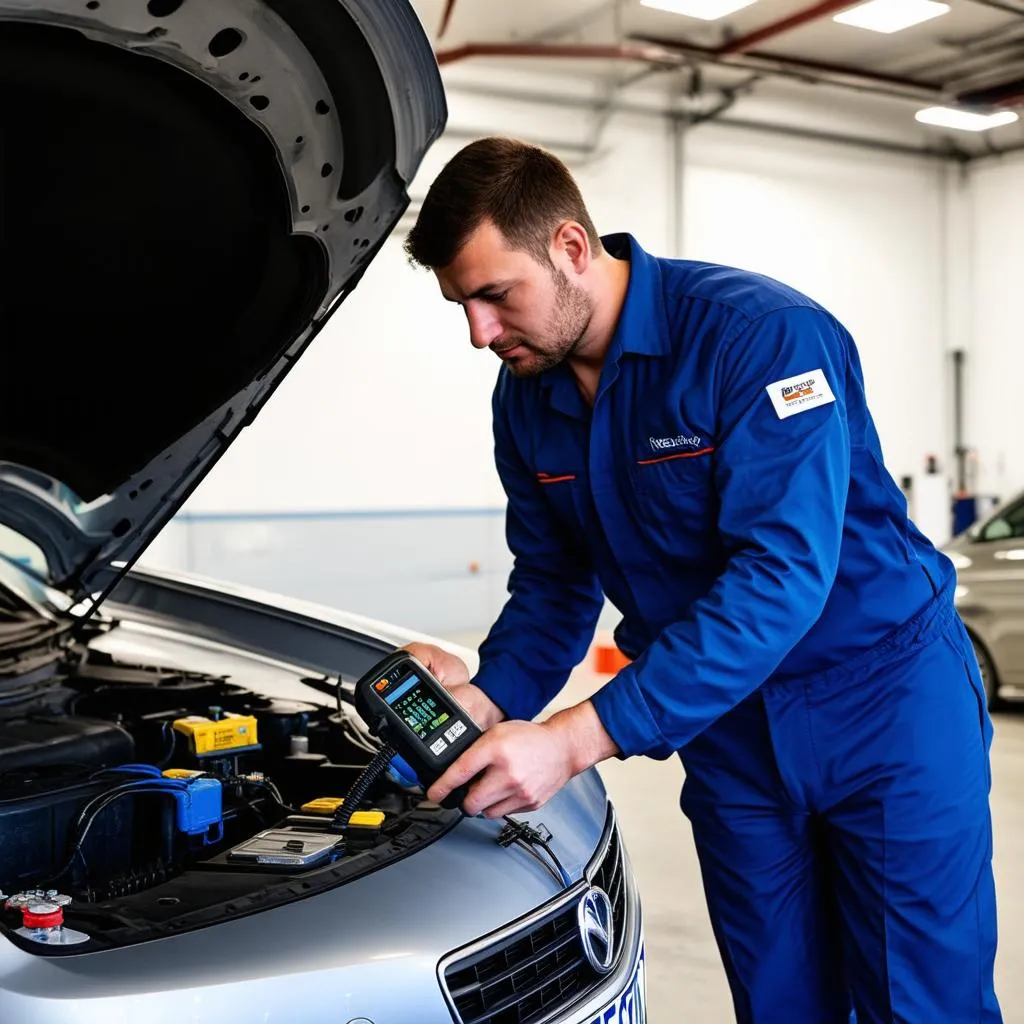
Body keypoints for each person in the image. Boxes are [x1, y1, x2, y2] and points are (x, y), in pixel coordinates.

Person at [398, 136, 1001, 1023]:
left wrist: (575, 737)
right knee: (780, 1001)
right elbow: (555, 580)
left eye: (494, 295)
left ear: (570, 247)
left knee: (921, 1003)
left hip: (883, 706)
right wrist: (489, 701)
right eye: (462, 305)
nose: (481, 334)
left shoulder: (759, 337)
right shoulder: (525, 396)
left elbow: (782, 573)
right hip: (729, 734)